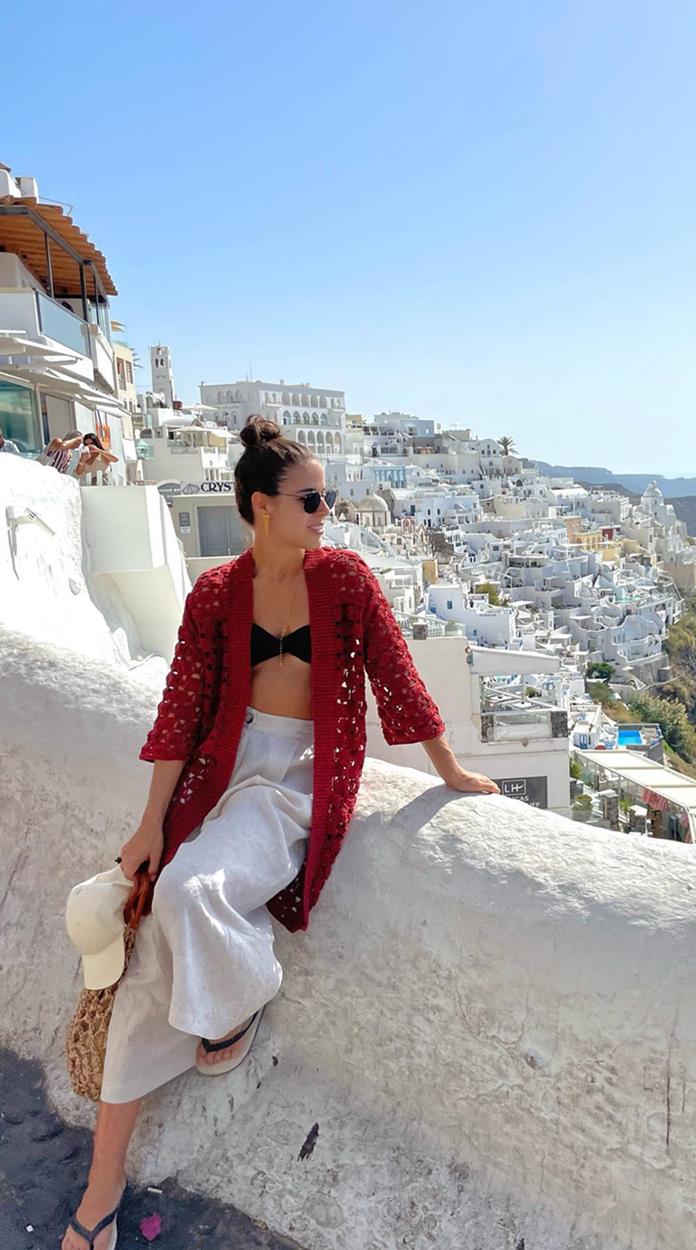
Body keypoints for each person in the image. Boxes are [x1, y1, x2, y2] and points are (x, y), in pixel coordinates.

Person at [62, 414, 500, 1250]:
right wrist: (150, 824)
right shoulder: (215, 595)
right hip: (218, 775)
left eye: (326, 497)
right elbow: (182, 714)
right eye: (311, 498)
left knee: (193, 893)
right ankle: (102, 1183)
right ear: (261, 506)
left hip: (300, 781)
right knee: (154, 932)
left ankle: (241, 1000)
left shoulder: (347, 581)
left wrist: (448, 773)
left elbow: (397, 680)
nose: (326, 510)